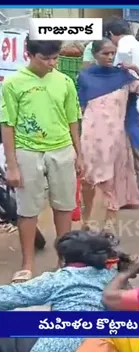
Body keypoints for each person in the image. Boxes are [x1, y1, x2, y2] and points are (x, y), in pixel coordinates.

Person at [0, 40, 82, 282]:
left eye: (55, 58)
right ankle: (27, 264)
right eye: (45, 59)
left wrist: (80, 153)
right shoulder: (14, 83)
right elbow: (7, 124)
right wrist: (12, 165)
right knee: (27, 210)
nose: (52, 63)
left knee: (64, 206)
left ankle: (64, 260)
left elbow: (73, 120)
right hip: (27, 151)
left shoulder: (65, 81)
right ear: (29, 54)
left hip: (62, 149)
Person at [0, 230, 119, 352]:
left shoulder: (60, 279)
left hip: (59, 350)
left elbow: (9, 297)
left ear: (63, 260)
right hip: (107, 350)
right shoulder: (112, 275)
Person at [77, 39, 139, 232]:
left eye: (113, 53)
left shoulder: (123, 77)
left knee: (111, 182)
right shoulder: (85, 77)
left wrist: (136, 69)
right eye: (105, 53)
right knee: (88, 181)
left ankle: (109, 227)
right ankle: (86, 221)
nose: (110, 57)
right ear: (95, 54)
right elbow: (79, 107)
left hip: (115, 139)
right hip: (90, 137)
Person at [105, 17, 139, 204]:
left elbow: (119, 73)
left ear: (111, 34)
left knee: (134, 151)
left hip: (135, 103)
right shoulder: (138, 46)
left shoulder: (125, 47)